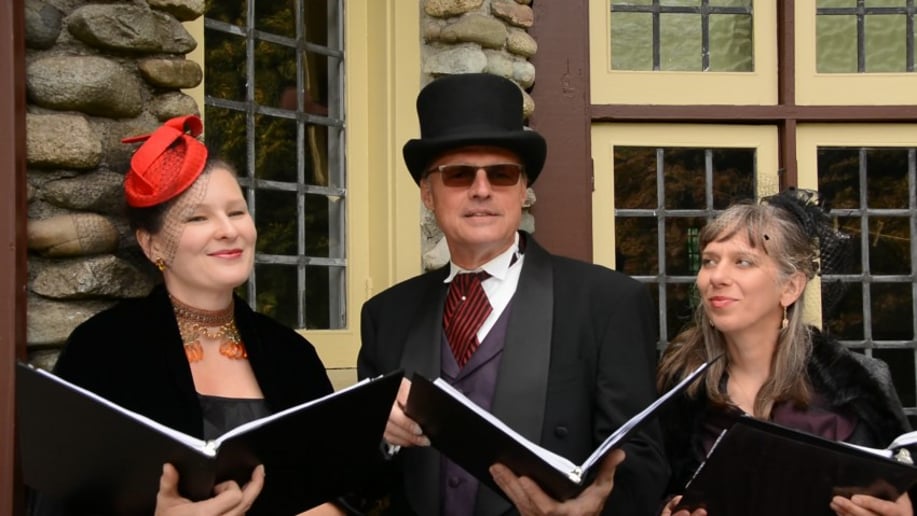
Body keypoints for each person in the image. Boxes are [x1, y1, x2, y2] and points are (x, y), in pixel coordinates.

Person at [356, 73, 668, 515]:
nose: (481, 190)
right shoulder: (386, 315)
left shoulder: (607, 303)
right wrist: (380, 437)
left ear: (523, 190)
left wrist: (595, 508)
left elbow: (643, 460)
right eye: (459, 174)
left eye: (501, 174)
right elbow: (362, 479)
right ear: (428, 193)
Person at [29, 115, 346, 516]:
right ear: (151, 244)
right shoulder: (103, 351)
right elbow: (57, 505)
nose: (228, 231)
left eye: (236, 212)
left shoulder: (293, 355)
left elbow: (337, 485)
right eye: (198, 217)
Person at [657, 188, 914, 516]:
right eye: (709, 261)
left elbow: (901, 491)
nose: (717, 277)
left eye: (743, 262)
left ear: (791, 287)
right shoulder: (675, 391)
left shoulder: (859, 386)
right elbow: (647, 492)